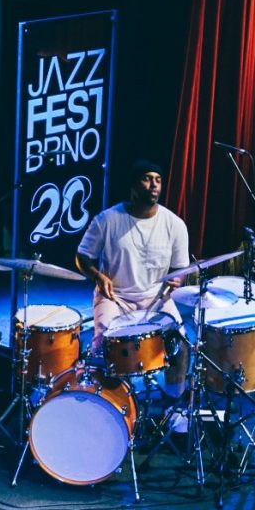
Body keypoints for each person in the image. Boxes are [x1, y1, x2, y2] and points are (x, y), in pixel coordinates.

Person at [75, 160, 190, 398]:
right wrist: (97, 277)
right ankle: (111, 403)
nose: (154, 185)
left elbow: (180, 269)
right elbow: (82, 257)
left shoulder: (175, 225)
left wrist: (178, 280)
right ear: (133, 185)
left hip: (156, 297)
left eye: (158, 180)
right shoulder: (107, 220)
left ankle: (174, 404)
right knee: (104, 345)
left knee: (180, 344)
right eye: (147, 179)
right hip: (115, 297)